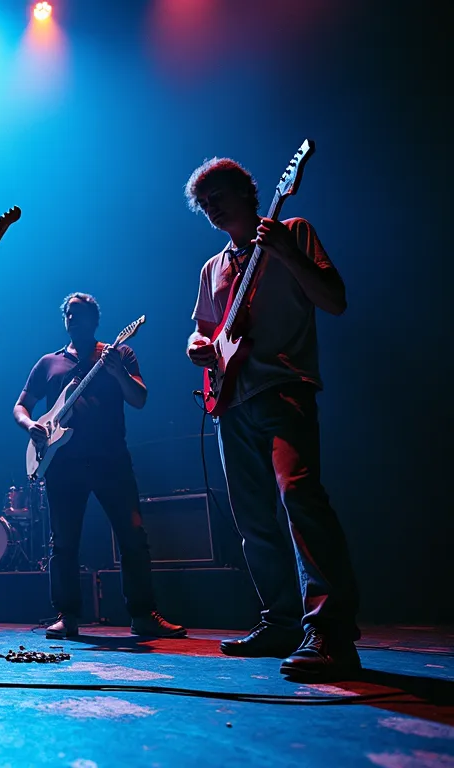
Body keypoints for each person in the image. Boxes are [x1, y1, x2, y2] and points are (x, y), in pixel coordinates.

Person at [184, 157, 360, 680]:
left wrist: (285, 252)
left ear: (249, 192)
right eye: (205, 202)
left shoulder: (294, 232)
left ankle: (329, 630)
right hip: (231, 400)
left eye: (220, 195)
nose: (212, 207)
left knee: (301, 500)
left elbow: (335, 300)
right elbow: (205, 332)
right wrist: (197, 346)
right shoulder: (212, 268)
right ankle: (281, 620)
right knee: (252, 517)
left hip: (284, 389)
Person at [13, 293, 187, 640]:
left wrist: (117, 372)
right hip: (63, 463)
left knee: (133, 536)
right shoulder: (48, 363)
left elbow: (139, 399)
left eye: (81, 315)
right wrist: (30, 426)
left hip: (111, 459)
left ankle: (143, 614)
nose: (74, 320)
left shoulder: (119, 353)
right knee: (63, 542)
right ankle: (67, 615)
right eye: (69, 315)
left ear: (95, 320)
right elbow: (21, 406)